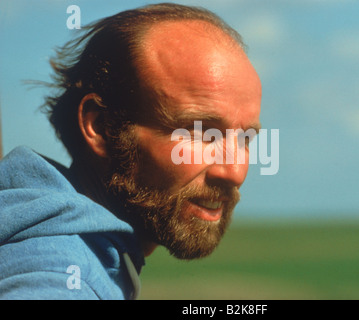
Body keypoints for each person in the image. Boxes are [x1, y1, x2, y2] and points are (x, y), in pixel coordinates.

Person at [0, 3, 261, 300]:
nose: (235, 172)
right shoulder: (62, 278)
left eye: (245, 139)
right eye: (200, 133)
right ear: (101, 126)